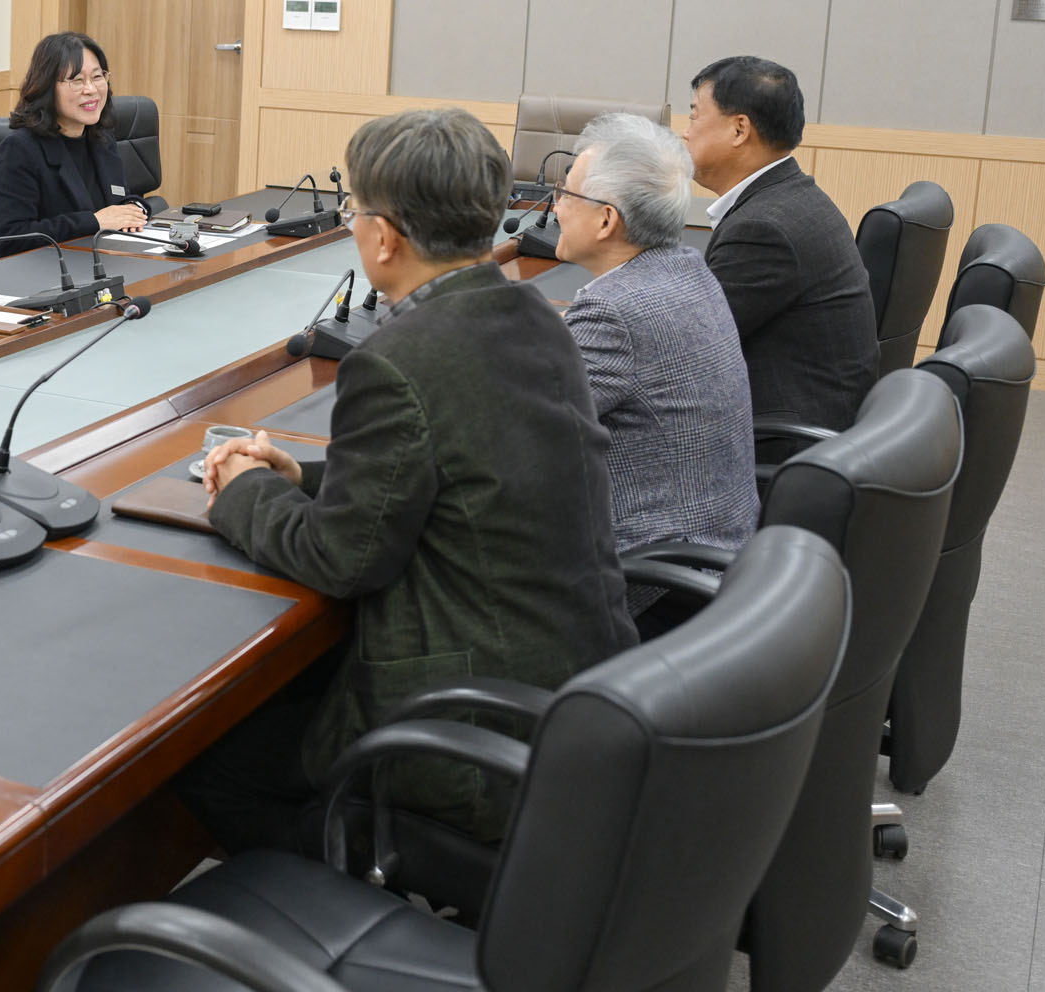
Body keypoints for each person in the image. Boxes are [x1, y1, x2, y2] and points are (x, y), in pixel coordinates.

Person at [182, 108, 637, 854]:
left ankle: (350, 885)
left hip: (468, 727)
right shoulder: (532, 313)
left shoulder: (394, 360)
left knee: (211, 763)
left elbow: (342, 558)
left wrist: (241, 490)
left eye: (354, 212)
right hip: (577, 693)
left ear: (385, 236)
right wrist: (302, 474)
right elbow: (454, 468)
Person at [555, 112, 759, 630]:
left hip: (654, 588)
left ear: (606, 220)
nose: (555, 206)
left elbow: (517, 429)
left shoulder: (614, 313)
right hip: (718, 556)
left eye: (565, 194)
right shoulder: (688, 269)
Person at [684, 55, 877, 431]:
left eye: (694, 116)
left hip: (781, 438)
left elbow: (687, 344)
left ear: (739, 130)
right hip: (809, 412)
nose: (685, 133)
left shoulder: (763, 230)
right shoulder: (790, 196)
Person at [0, 32, 148, 243]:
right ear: (47, 87)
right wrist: (94, 221)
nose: (91, 89)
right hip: (51, 262)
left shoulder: (101, 138)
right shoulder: (19, 150)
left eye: (97, 77)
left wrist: (134, 207)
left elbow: (117, 199)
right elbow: (9, 237)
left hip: (104, 254)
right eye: (77, 80)